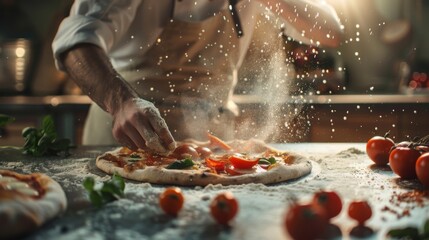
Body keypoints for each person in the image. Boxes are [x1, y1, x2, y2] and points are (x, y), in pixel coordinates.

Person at [52, 0, 342, 154]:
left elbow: (331, 31)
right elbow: (74, 41)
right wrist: (122, 102)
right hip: (129, 139)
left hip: (213, 150)